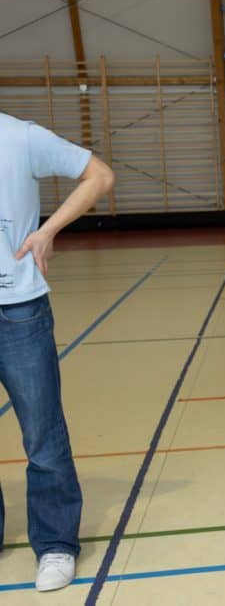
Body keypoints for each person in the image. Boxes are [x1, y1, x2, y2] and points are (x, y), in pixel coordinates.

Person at [0, 113, 115, 592]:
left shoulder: (20, 137)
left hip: (18, 311)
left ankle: (55, 544)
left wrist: (49, 230)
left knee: (42, 435)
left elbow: (99, 175)